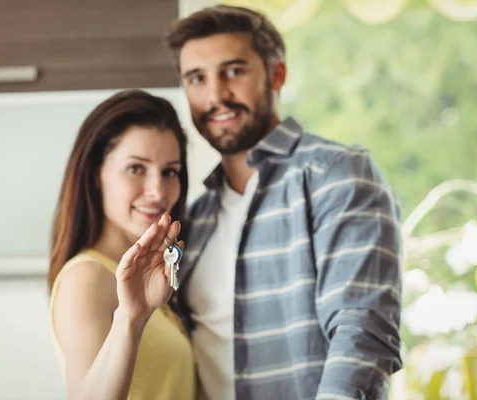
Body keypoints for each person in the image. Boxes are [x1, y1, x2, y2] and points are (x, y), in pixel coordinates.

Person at [165, 5, 403, 400]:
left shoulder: (337, 174)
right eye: (197, 78)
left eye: (234, 71)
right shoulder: (195, 217)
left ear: (276, 75)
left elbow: (362, 330)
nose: (216, 95)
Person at [47, 89, 195, 400]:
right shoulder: (88, 277)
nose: (158, 191)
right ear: (95, 175)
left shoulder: (155, 279)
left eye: (170, 172)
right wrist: (131, 317)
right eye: (136, 168)